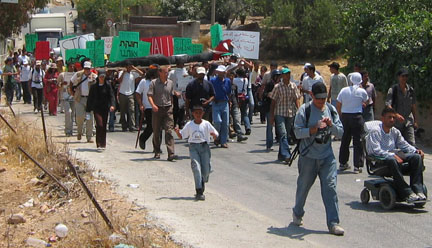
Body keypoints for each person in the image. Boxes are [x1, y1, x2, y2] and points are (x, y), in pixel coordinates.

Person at [292, 82, 345, 236]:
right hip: (308, 156)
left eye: (323, 99)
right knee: (303, 187)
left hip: (327, 157)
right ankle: (297, 213)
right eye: (318, 99)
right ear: (312, 96)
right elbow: (297, 132)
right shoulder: (305, 110)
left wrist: (331, 126)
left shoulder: (331, 109)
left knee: (330, 188)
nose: (321, 102)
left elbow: (340, 132)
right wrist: (313, 128)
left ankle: (333, 223)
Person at [366, 107, 426, 202]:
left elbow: (404, 145)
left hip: (394, 158)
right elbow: (375, 150)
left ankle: (418, 190)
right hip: (380, 161)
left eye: (393, 117)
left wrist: (416, 150)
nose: (392, 120)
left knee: (416, 157)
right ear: (383, 118)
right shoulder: (375, 131)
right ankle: (407, 192)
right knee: (392, 159)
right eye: (389, 117)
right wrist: (391, 155)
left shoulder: (395, 131)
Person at [174, 105, 219, 201]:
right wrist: (177, 132)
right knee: (196, 168)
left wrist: (214, 136)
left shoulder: (206, 124)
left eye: (200, 113)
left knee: (205, 170)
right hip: (193, 147)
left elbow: (215, 133)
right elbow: (182, 135)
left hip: (204, 147)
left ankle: (204, 177)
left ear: (203, 114)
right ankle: (199, 191)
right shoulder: (190, 124)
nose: (198, 115)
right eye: (196, 113)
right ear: (193, 114)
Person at [336, 72, 368, 173]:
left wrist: (340, 115)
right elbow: (366, 101)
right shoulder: (362, 91)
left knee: (345, 139)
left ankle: (343, 163)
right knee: (357, 141)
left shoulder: (344, 90)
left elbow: (338, 103)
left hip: (345, 116)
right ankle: (357, 165)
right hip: (357, 116)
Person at [269, 68, 301, 163]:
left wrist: (299, 111)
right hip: (280, 113)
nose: (287, 76)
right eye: (285, 74)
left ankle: (281, 155)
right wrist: (272, 116)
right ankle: (287, 155)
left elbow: (296, 99)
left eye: (288, 74)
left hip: (290, 113)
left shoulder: (293, 86)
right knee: (283, 134)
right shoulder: (277, 87)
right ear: (282, 76)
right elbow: (273, 102)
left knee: (286, 135)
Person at [147, 66, 177, 161]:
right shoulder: (154, 83)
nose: (166, 74)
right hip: (157, 109)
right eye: (165, 72)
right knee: (156, 132)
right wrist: (153, 105)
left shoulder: (170, 83)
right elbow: (150, 96)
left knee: (169, 131)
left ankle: (171, 153)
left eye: (167, 72)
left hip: (168, 109)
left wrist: (171, 106)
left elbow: (171, 95)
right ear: (159, 73)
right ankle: (157, 151)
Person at [385, 68, 418, 146]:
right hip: (396, 122)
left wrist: (415, 121)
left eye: (406, 76)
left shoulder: (411, 90)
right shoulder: (393, 90)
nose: (404, 78)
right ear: (398, 77)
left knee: (411, 143)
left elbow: (413, 106)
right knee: (396, 144)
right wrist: (396, 115)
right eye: (403, 76)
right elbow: (388, 105)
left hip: (408, 121)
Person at [86, 70, 116, 150]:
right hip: (96, 108)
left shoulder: (108, 86)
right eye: (101, 76)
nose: (102, 78)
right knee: (100, 125)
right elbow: (90, 98)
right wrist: (88, 110)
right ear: (98, 77)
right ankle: (98, 143)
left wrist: (112, 105)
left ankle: (103, 144)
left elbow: (111, 96)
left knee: (104, 126)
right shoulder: (93, 87)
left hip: (105, 108)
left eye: (103, 76)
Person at [70, 61, 97, 142]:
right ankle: (79, 131)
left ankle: (89, 136)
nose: (87, 70)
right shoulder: (78, 75)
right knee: (79, 116)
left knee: (89, 118)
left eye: (88, 69)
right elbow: (71, 82)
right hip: (80, 99)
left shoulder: (94, 76)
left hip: (90, 100)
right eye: (85, 68)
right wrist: (72, 92)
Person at [136, 65, 158, 150]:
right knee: (151, 127)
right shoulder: (144, 82)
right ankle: (143, 138)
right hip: (148, 107)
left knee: (158, 128)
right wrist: (140, 104)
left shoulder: (159, 81)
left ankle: (157, 147)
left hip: (158, 107)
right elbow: (137, 93)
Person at [118, 62, 144, 132]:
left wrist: (134, 68)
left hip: (130, 94)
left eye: (130, 67)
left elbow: (142, 74)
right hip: (122, 93)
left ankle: (132, 126)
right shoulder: (121, 72)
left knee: (132, 110)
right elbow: (119, 80)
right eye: (128, 67)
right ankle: (124, 125)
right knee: (123, 111)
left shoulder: (133, 73)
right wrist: (123, 72)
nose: (129, 68)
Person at [210, 65, 231, 148]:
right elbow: (211, 91)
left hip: (225, 103)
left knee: (225, 123)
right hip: (216, 103)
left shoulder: (228, 81)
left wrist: (229, 101)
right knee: (217, 122)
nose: (220, 73)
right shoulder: (213, 81)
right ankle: (216, 137)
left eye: (222, 72)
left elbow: (229, 92)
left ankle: (223, 141)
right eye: (219, 72)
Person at [262, 69, 281, 152]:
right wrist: (269, 94)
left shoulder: (281, 85)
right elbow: (265, 94)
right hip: (270, 108)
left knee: (280, 126)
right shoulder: (270, 84)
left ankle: (282, 143)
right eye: (278, 76)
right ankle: (269, 144)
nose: (279, 78)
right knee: (270, 127)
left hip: (279, 108)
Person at [227, 71, 248, 142]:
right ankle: (227, 134)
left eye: (232, 76)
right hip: (227, 105)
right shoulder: (225, 85)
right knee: (229, 120)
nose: (231, 78)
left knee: (236, 119)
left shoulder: (234, 86)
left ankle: (239, 134)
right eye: (229, 76)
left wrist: (237, 103)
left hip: (234, 104)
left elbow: (236, 96)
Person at [169, 62, 189, 128]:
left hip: (183, 92)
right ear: (177, 65)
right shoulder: (172, 72)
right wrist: (174, 91)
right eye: (180, 64)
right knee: (175, 108)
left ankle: (181, 122)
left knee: (182, 108)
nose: (181, 65)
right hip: (175, 92)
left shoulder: (185, 71)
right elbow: (169, 82)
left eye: (182, 64)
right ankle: (175, 123)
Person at [58, 63, 75, 136]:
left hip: (73, 97)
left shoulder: (76, 75)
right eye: (70, 66)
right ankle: (67, 130)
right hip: (65, 97)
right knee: (68, 112)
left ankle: (70, 130)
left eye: (73, 66)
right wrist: (62, 83)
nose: (72, 67)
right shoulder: (62, 75)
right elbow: (58, 85)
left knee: (73, 114)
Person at [233, 68, 251, 135]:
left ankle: (237, 129)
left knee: (236, 114)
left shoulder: (235, 80)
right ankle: (248, 127)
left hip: (237, 97)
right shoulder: (245, 80)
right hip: (244, 97)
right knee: (244, 114)